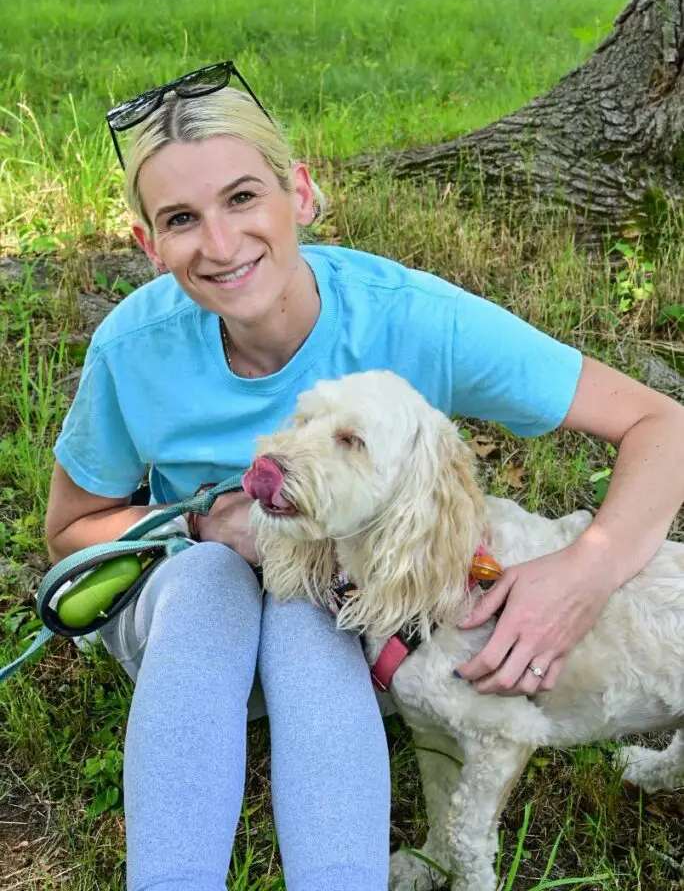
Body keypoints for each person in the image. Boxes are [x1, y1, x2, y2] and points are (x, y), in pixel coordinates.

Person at [44, 63, 684, 891]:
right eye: (180, 218)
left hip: (357, 625)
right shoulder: (133, 349)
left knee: (315, 608)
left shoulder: (411, 317)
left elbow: (663, 423)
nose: (221, 242)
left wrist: (585, 571)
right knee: (213, 581)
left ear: (300, 194)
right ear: (148, 243)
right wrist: (204, 525)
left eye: (244, 198)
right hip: (196, 640)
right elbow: (70, 529)